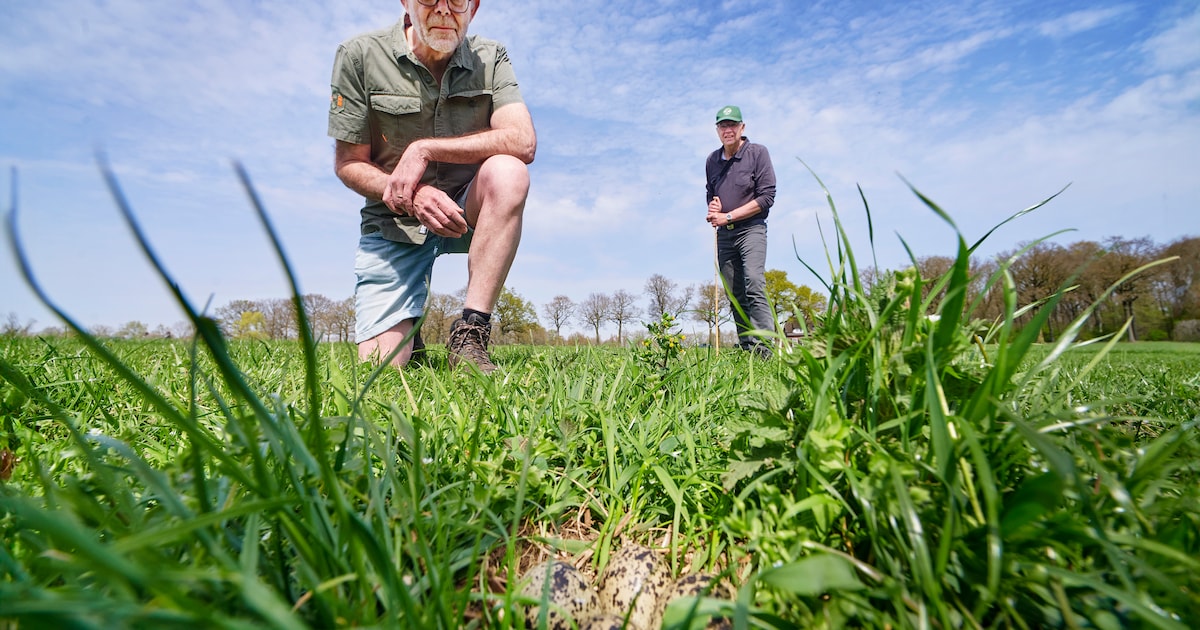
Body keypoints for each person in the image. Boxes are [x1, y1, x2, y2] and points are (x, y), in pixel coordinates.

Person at [327, 0, 536, 374]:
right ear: (406, 2)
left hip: (466, 208)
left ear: (474, 6)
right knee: (383, 366)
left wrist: (425, 149)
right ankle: (411, 324)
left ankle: (471, 332)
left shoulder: (492, 57)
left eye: (456, 0)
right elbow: (349, 164)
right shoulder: (358, 55)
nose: (443, 10)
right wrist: (413, 194)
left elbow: (522, 141)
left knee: (509, 172)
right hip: (395, 219)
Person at [705, 105, 776, 358]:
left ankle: (766, 350)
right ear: (717, 130)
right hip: (725, 236)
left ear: (742, 127)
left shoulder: (757, 153)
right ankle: (749, 350)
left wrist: (729, 215)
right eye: (723, 125)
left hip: (751, 230)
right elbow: (710, 193)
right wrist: (714, 208)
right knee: (735, 293)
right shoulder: (712, 160)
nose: (728, 130)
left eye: (733, 125)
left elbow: (767, 197)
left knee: (754, 283)